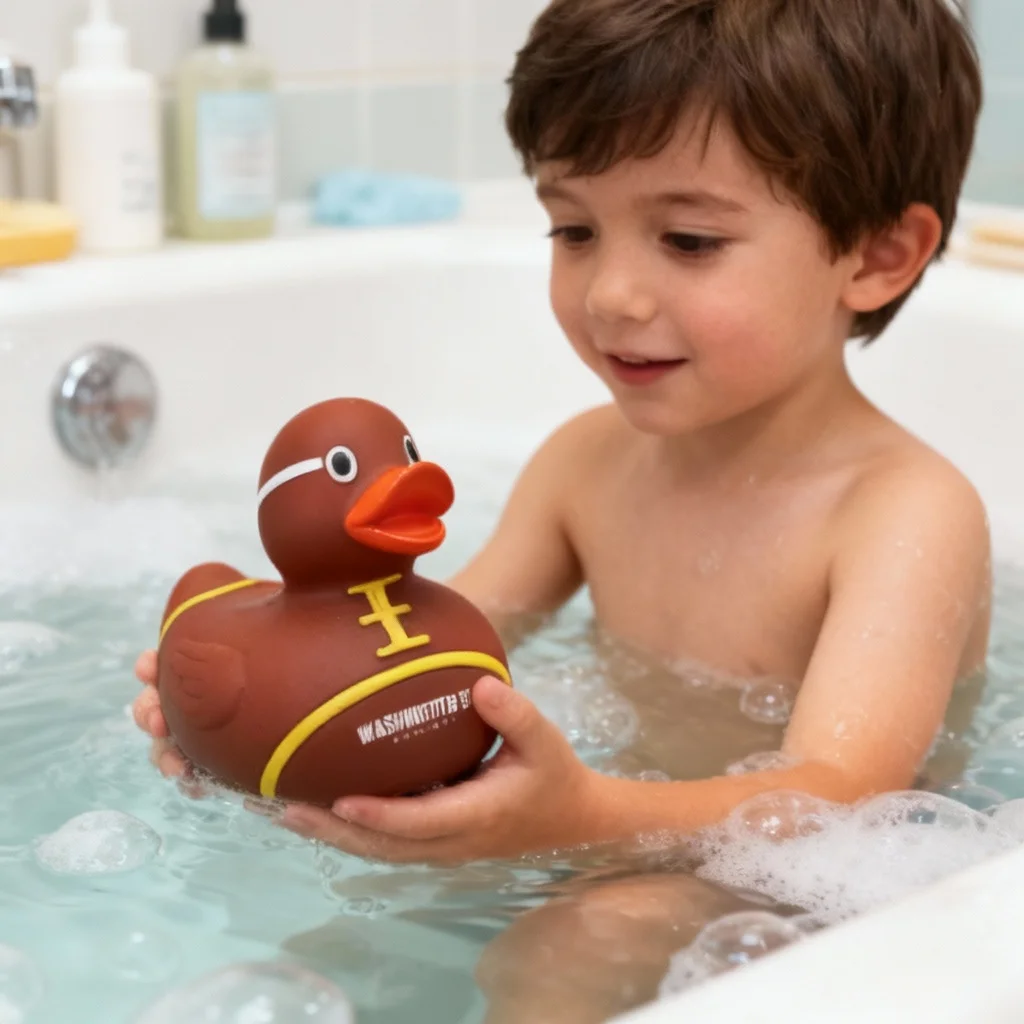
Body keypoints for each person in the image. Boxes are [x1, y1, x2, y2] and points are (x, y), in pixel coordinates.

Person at [132, 0, 989, 1018]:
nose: (610, 293)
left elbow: (838, 799)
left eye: (687, 238)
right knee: (342, 958)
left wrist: (578, 814)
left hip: (820, 893)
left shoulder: (902, 511)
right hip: (616, 822)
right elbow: (440, 639)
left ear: (878, 255)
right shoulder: (588, 459)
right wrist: (263, 704)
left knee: (576, 947)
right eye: (573, 228)